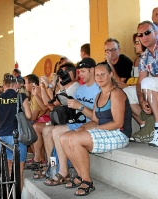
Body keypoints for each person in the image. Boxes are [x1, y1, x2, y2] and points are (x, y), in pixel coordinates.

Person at [60, 62, 132, 196]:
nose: (99, 77)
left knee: (75, 139)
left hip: (118, 134)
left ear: (111, 74)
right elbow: (95, 120)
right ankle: (81, 175)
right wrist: (83, 127)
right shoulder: (99, 95)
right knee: (64, 137)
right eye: (97, 75)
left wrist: (93, 130)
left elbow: (117, 123)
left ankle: (87, 182)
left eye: (102, 74)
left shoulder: (116, 93)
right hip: (104, 131)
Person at [41, 58, 101, 185]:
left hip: (92, 123)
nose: (81, 75)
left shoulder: (98, 89)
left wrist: (79, 106)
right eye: (79, 72)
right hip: (78, 122)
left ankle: (63, 171)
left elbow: (97, 118)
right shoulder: (80, 90)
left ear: (92, 70)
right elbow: (52, 105)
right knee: (49, 130)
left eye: (83, 71)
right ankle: (54, 167)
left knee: (57, 131)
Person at [0, 74, 31, 191]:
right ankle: (16, 195)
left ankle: (8, 193)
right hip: (16, 138)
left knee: (9, 169)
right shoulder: (21, 96)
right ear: (15, 85)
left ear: (4, 86)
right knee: (18, 172)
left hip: (1, 139)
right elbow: (29, 115)